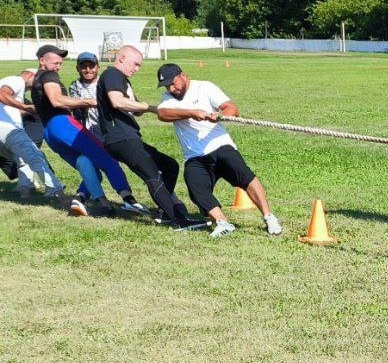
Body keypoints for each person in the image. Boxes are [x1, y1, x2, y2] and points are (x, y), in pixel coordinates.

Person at [154, 63, 282, 238]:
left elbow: (232, 108)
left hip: (220, 145)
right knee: (194, 186)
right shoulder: (168, 98)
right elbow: (162, 114)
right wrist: (191, 113)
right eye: (167, 85)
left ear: (183, 75)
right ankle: (222, 222)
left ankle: (269, 217)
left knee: (245, 175)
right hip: (195, 156)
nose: (171, 88)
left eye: (174, 83)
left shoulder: (204, 87)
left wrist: (220, 115)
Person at [95, 46, 204, 230]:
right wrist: (150, 107)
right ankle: (178, 221)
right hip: (121, 138)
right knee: (152, 175)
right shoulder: (113, 74)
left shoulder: (122, 79)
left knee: (169, 166)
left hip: (129, 138)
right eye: (135, 64)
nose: (137, 69)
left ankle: (166, 211)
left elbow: (134, 109)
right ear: (121, 58)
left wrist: (153, 109)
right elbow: (117, 101)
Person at [29, 44, 142, 218]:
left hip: (49, 133)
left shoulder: (36, 77)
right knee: (106, 158)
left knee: (86, 163)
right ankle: (129, 199)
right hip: (62, 124)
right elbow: (57, 100)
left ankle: (100, 202)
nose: (59, 66)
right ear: (42, 60)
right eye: (55, 62)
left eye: (60, 63)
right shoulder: (49, 75)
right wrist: (91, 101)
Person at [0, 68, 67, 201]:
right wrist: (26, 107)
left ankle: (24, 189)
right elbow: (2, 95)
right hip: (8, 130)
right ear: (30, 75)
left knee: (22, 159)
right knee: (36, 156)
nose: (32, 88)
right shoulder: (16, 80)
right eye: (33, 84)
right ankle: (55, 189)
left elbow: (8, 109)